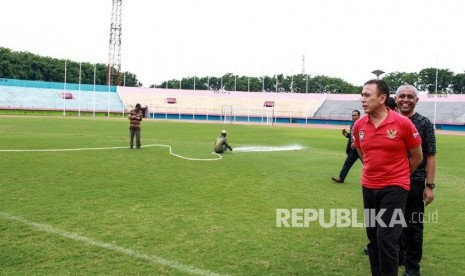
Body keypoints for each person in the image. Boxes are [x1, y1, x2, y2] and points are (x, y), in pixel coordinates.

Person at [353, 79, 423, 276]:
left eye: (367, 95)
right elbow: (361, 152)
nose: (363, 99)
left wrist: (399, 175)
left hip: (394, 188)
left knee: (387, 238)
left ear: (382, 98)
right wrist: (372, 169)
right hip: (368, 186)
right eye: (362, 95)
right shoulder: (359, 125)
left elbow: (417, 156)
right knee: (374, 237)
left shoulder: (402, 123)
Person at [396, 85, 436, 276]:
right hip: (390, 182)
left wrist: (429, 185)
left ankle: (413, 268)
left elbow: (430, 155)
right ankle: (399, 256)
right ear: (395, 99)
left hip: (415, 181)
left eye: (410, 96)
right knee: (391, 222)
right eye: (401, 96)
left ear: (416, 100)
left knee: (413, 225)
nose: (406, 99)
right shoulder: (388, 121)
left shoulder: (424, 123)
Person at [331, 110, 361, 183]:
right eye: (352, 115)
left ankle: (376, 179)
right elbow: (352, 135)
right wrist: (347, 135)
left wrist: (356, 143)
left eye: (355, 115)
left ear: (359, 116)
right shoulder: (352, 125)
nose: (353, 117)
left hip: (360, 149)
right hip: (353, 150)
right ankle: (341, 178)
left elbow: (362, 135)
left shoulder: (361, 124)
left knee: (367, 164)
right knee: (347, 163)